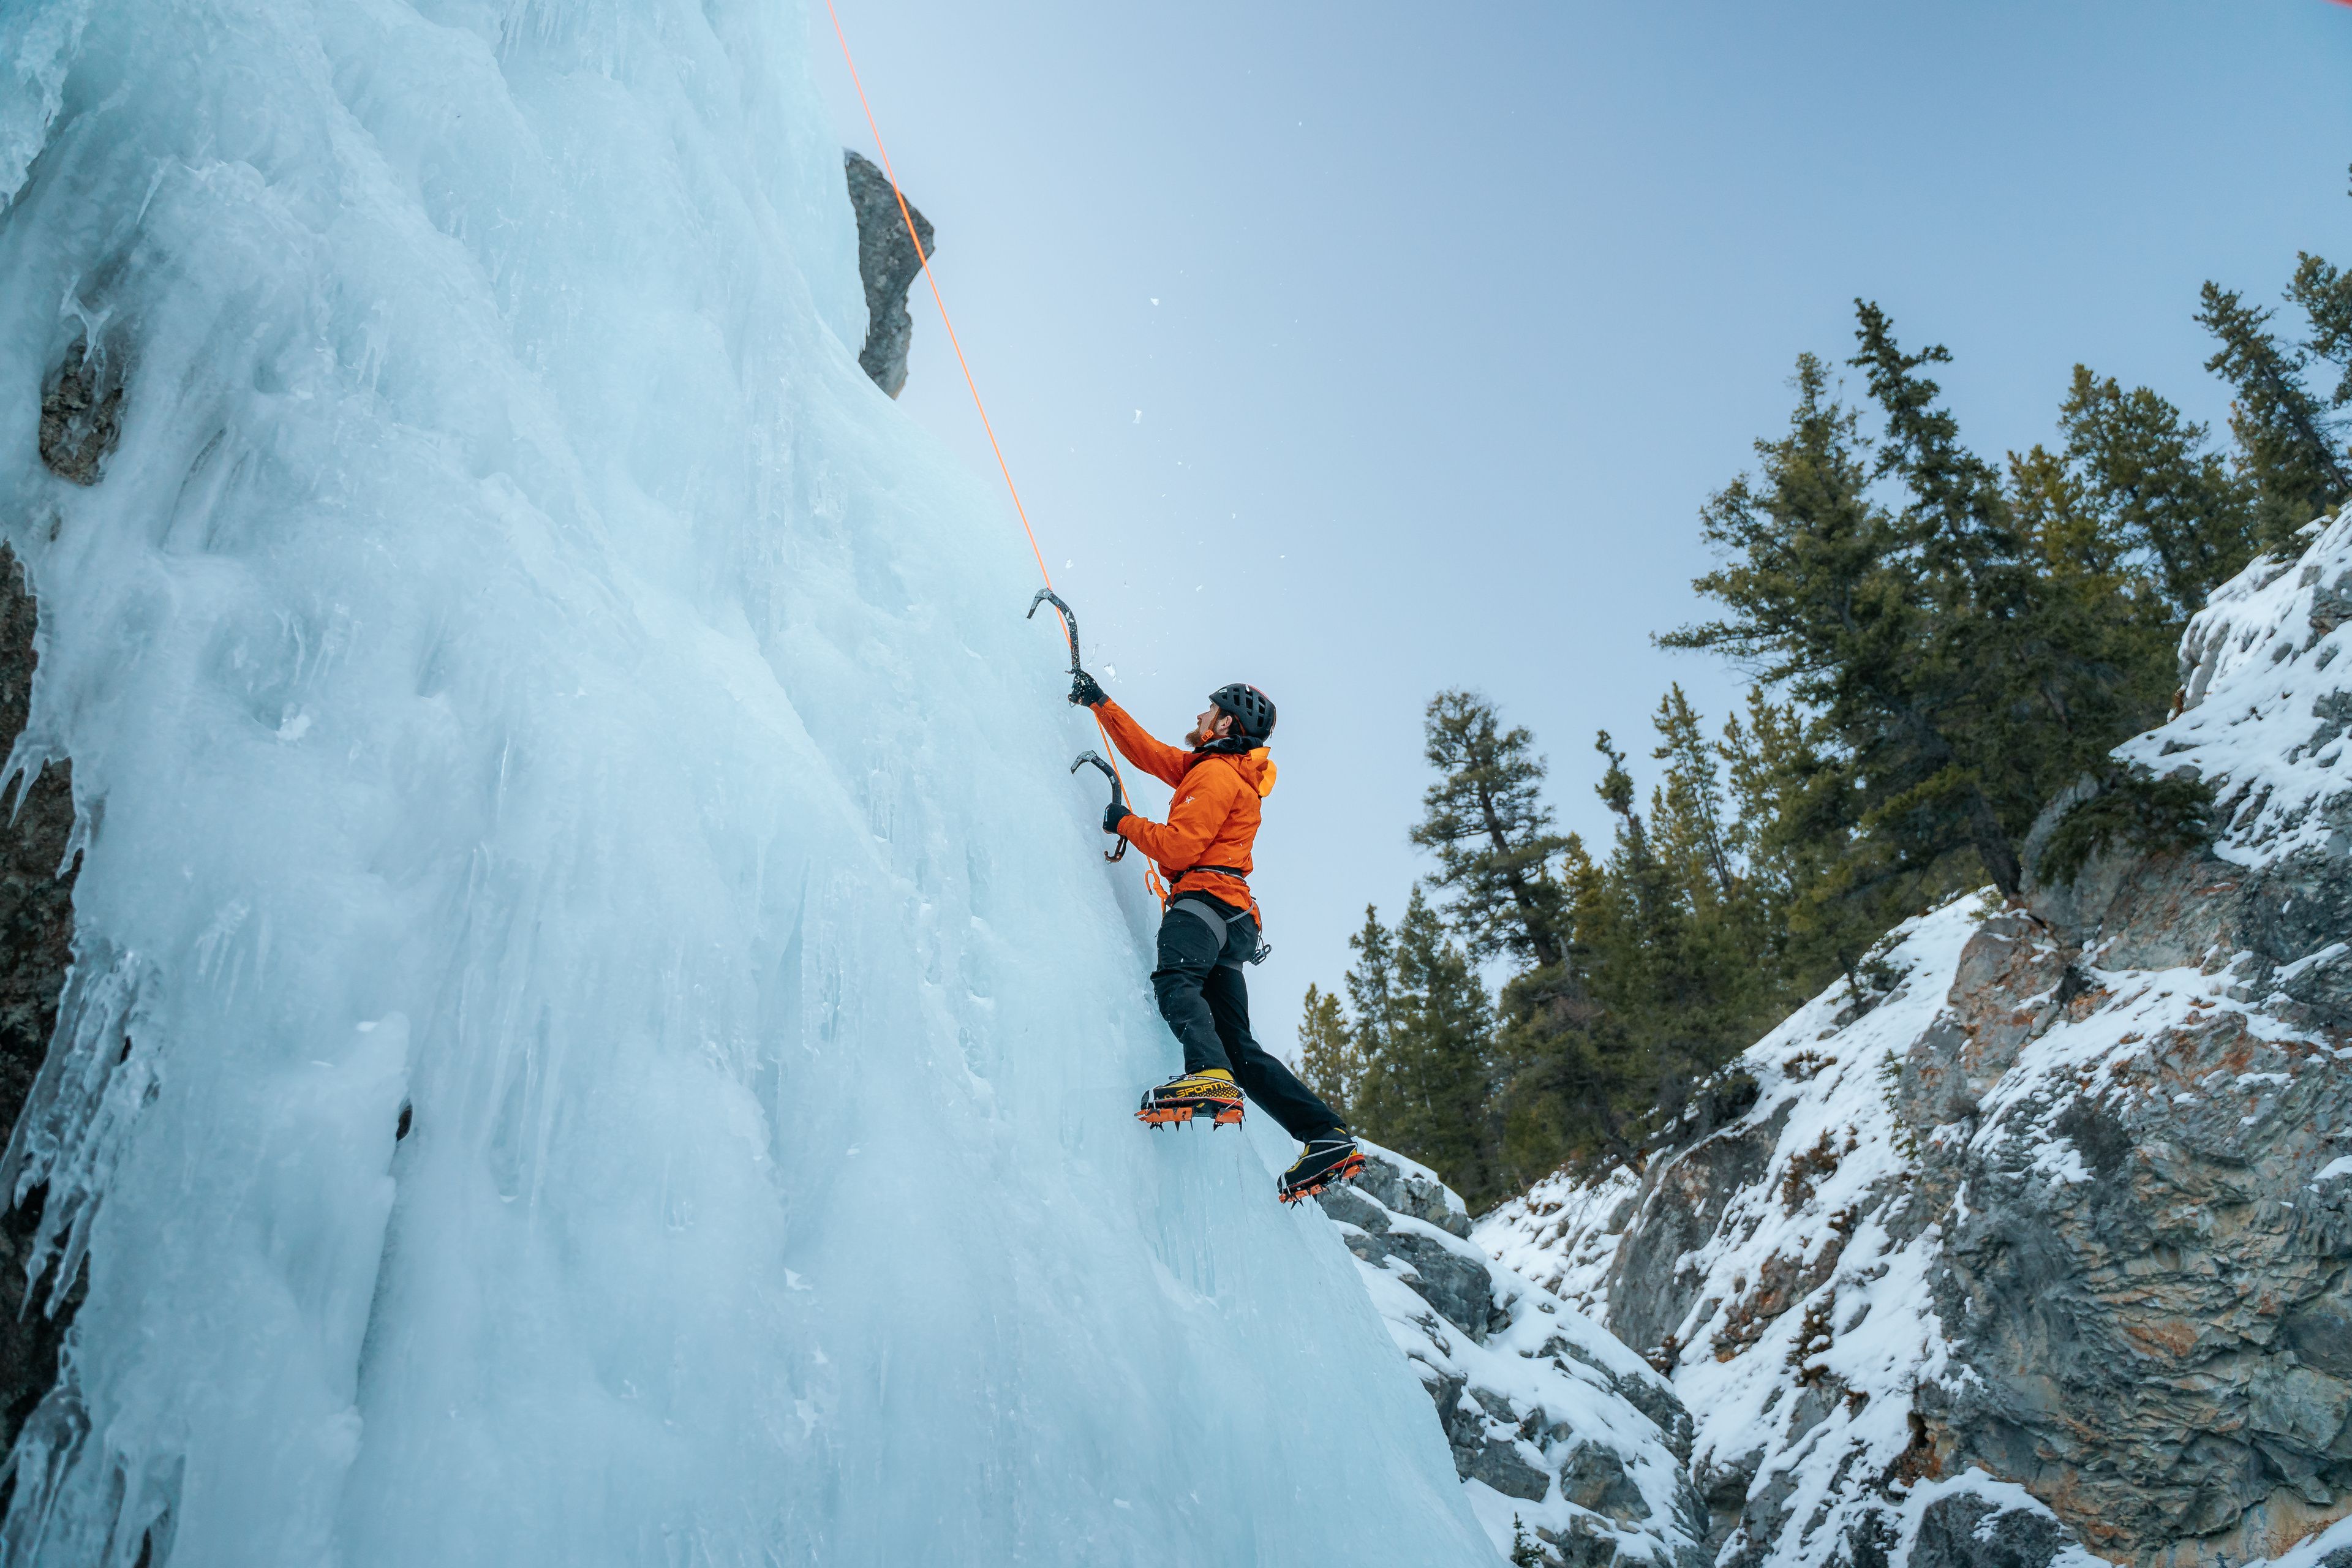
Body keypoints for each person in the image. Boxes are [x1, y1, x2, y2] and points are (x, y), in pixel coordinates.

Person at [1068, 669, 1363, 1204]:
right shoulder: (1218, 770)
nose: (1198, 717)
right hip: (1233, 921)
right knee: (1241, 1047)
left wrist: (1124, 823)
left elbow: (1179, 850)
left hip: (1202, 903)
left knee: (1176, 983)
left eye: (1207, 711)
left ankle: (1207, 1075)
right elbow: (1153, 756)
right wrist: (1103, 705)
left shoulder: (1216, 776)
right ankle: (1326, 1135)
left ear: (1225, 723)